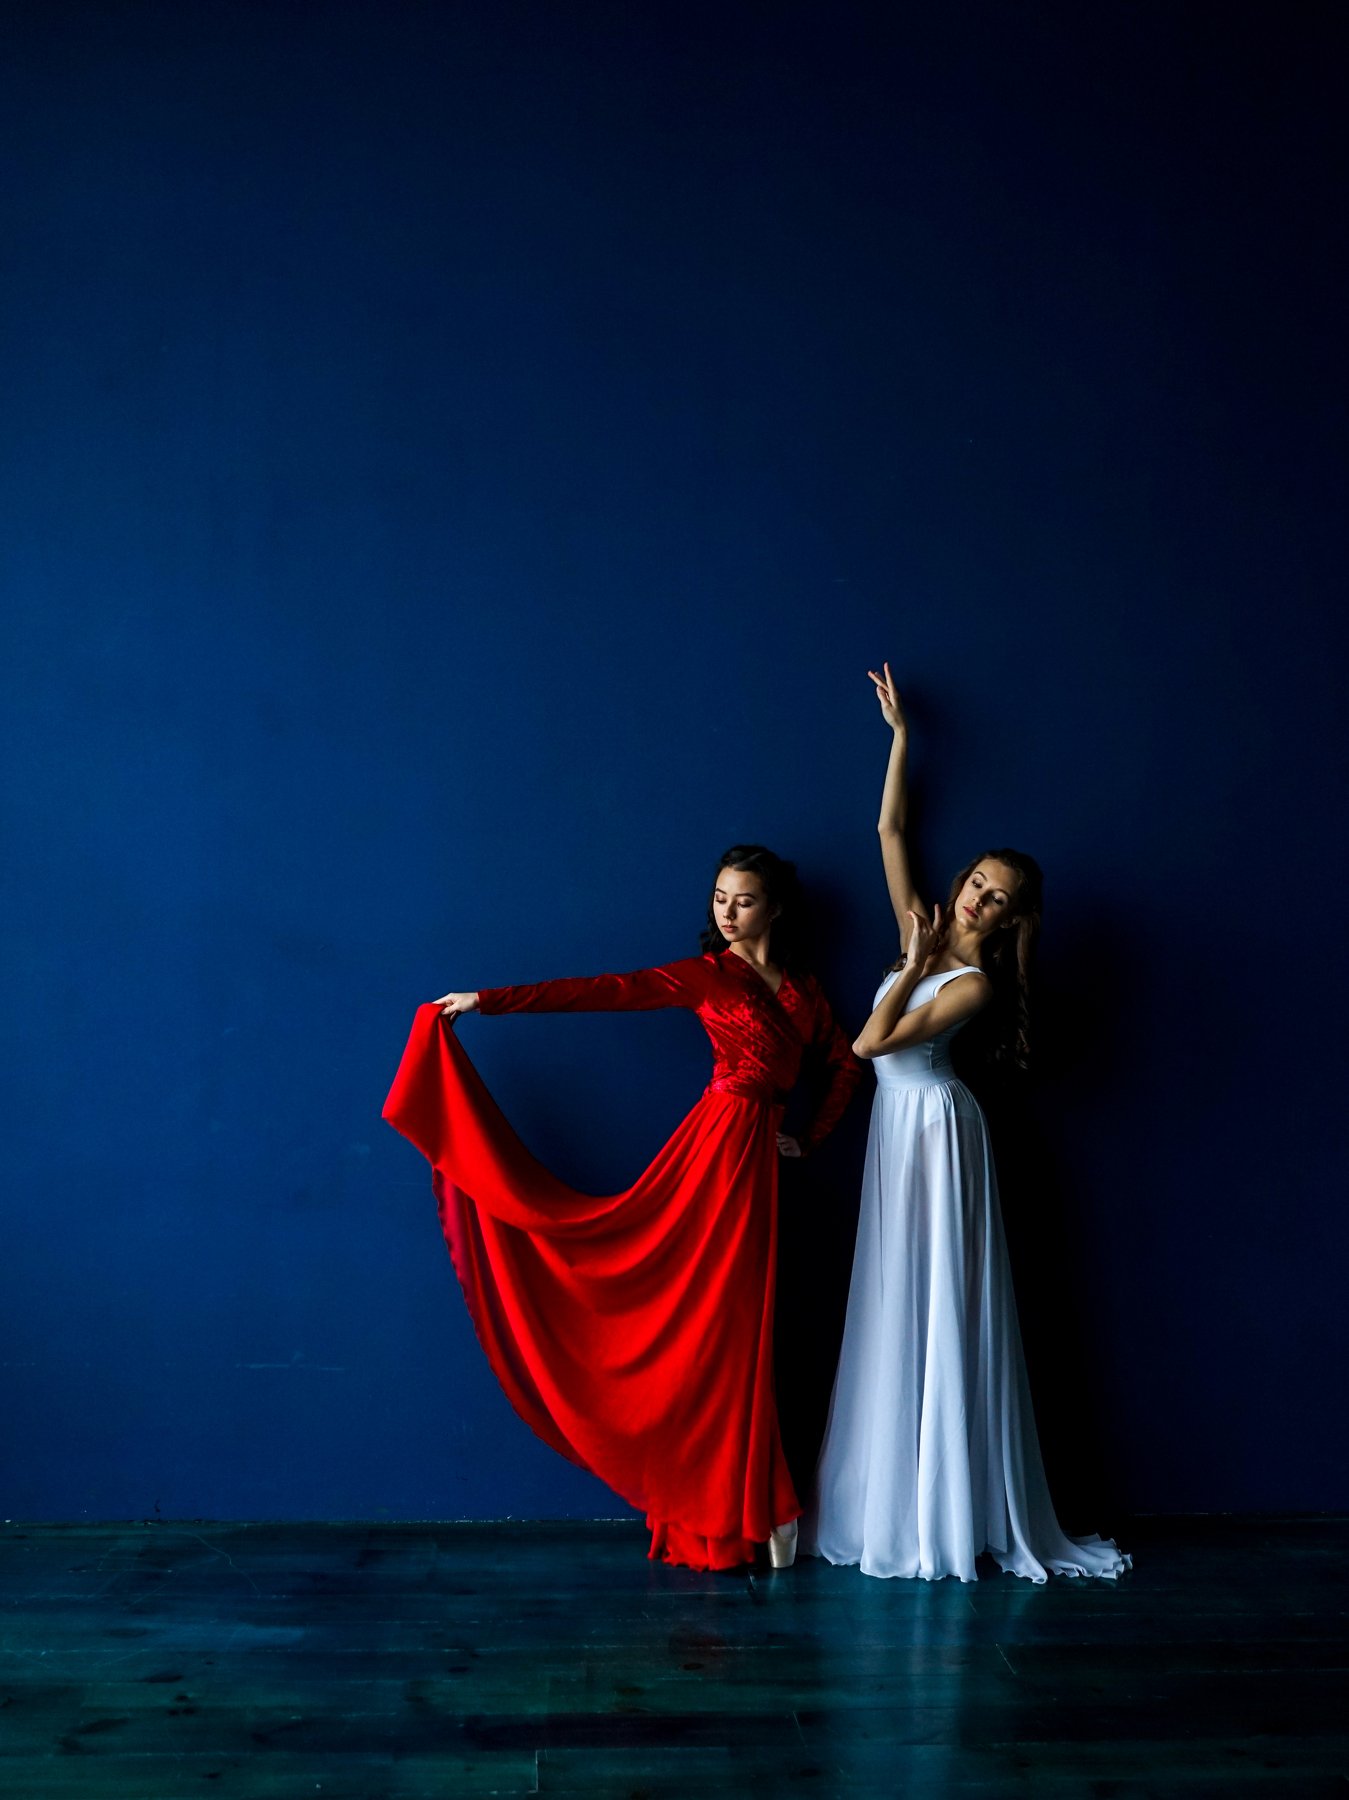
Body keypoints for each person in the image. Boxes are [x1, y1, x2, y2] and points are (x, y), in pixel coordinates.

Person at [383, 845, 862, 1572]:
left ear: (775, 909)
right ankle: (740, 1507)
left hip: (758, 1161)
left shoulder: (804, 991)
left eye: (743, 901)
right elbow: (604, 990)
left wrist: (809, 1137)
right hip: (712, 1152)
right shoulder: (708, 975)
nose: (727, 913)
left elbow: (847, 1063)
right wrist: (488, 1001)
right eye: (719, 898)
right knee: (709, 1323)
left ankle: (749, 1500)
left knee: (742, 1330)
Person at [799, 666, 1130, 1582]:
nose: (980, 898)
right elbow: (889, 831)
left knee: (939, 1296)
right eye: (978, 881)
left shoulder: (975, 983)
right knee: (893, 1298)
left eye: (997, 896)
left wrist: (909, 968)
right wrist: (902, 738)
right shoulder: (923, 920)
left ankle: (945, 1511)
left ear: (1013, 916)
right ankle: (890, 1495)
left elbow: (869, 1044)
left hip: (938, 1133)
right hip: (894, 1131)